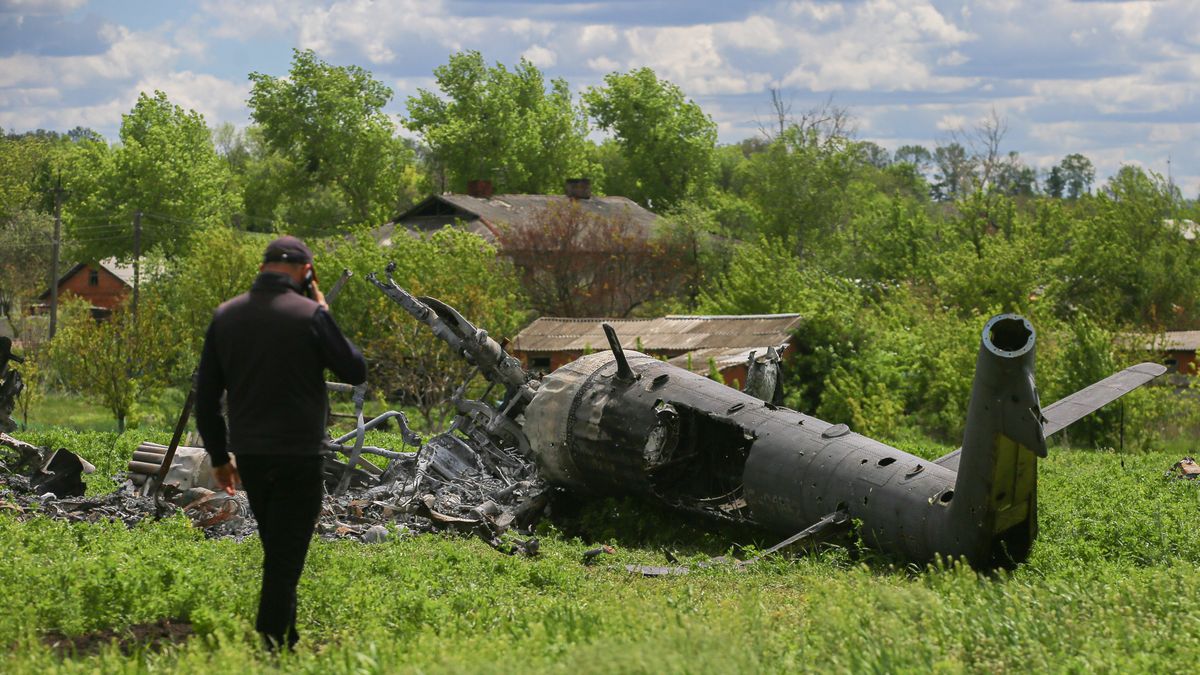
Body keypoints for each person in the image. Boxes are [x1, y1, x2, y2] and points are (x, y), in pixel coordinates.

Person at [194, 235, 366, 651]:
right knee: (285, 558)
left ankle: (285, 640)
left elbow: (206, 398)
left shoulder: (226, 316)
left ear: (262, 269)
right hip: (299, 455)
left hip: (251, 455)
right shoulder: (310, 315)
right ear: (306, 273)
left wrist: (219, 457)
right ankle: (271, 644)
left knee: (278, 548)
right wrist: (323, 311)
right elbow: (355, 369)